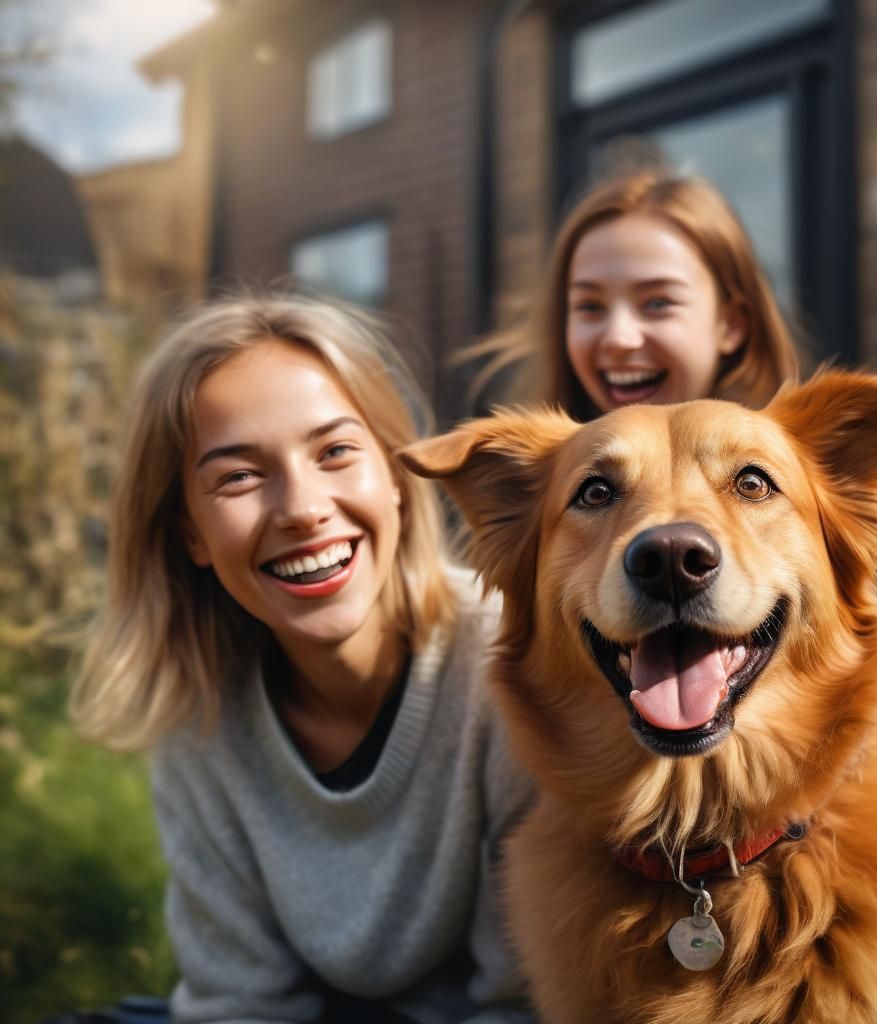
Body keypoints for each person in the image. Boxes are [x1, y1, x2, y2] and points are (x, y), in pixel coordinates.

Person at [70, 294, 535, 1024]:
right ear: (190, 532)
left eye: (335, 452)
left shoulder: (513, 665)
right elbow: (239, 1006)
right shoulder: (200, 720)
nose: (302, 508)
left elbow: (526, 1003)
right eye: (239, 477)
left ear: (395, 475)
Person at [474, 168, 800, 420]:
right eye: (589, 306)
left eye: (658, 303)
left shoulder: (806, 491)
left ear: (730, 325)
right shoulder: (534, 490)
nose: (618, 338)